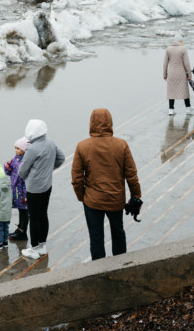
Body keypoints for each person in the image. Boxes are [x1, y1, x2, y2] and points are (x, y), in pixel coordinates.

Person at [71, 108, 142, 261]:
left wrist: (82, 196)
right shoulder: (121, 145)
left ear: (91, 123)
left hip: (92, 201)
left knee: (96, 236)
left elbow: (77, 178)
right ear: (110, 122)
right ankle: (120, 265)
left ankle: (98, 271)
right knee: (118, 232)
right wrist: (136, 196)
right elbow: (131, 175)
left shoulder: (82, 146)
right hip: (115, 199)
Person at [18, 119, 65, 259]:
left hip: (33, 189)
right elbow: (61, 158)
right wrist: (50, 169)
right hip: (47, 186)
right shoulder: (51, 143)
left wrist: (30, 177)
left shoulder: (32, 148)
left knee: (33, 217)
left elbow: (22, 171)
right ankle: (42, 246)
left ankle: (33, 249)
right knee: (43, 214)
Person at [5, 137, 30, 241]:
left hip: (23, 192)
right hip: (16, 191)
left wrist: (25, 196)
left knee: (25, 212)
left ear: (24, 149)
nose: (16, 151)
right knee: (21, 210)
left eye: (18, 148)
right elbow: (9, 172)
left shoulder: (26, 161)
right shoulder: (16, 159)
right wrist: (7, 167)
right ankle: (20, 228)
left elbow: (25, 179)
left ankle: (22, 232)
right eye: (15, 148)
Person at [163, 35, 193, 115]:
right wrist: (189, 74)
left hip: (171, 73)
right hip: (181, 72)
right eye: (182, 41)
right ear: (180, 41)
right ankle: (188, 108)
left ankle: (171, 109)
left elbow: (165, 64)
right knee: (184, 90)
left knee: (171, 91)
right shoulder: (183, 49)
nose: (182, 42)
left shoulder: (168, 49)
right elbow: (187, 63)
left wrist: (165, 74)